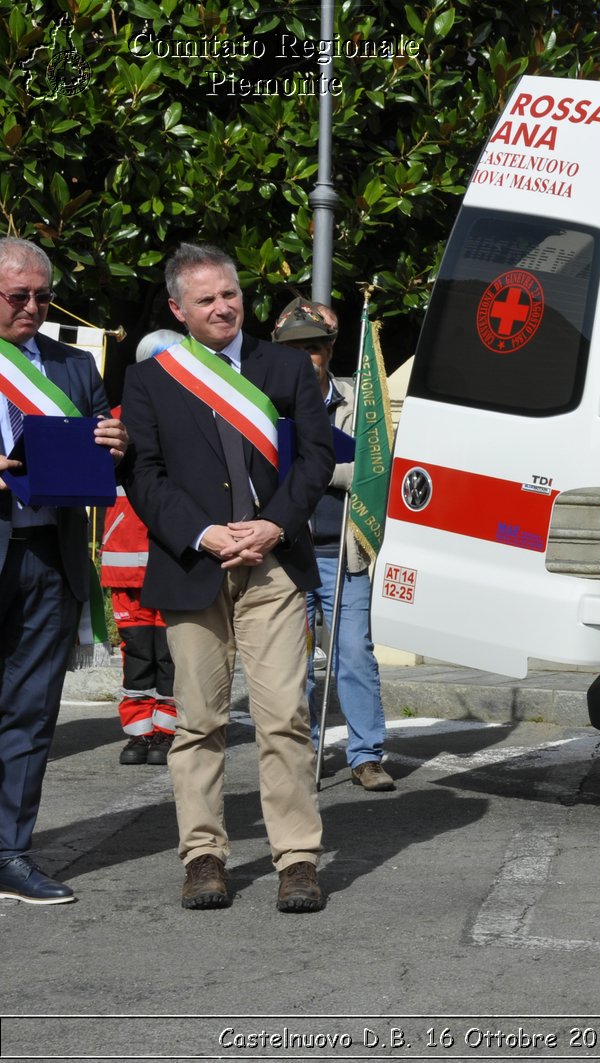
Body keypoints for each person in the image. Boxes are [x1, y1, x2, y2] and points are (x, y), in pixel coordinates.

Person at [120, 244, 333, 913]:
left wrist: (273, 524)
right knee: (199, 722)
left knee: (284, 720)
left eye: (230, 294)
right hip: (194, 565)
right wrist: (205, 533)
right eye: (206, 299)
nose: (222, 307)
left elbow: (318, 456)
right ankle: (204, 855)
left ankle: (297, 859)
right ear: (179, 309)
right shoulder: (153, 380)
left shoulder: (284, 367)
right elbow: (143, 475)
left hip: (271, 564)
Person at [0, 237, 129, 904]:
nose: (32, 306)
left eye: (41, 296)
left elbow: (106, 457)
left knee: (29, 710)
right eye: (17, 296)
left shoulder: (74, 366)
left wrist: (116, 443)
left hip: (48, 556)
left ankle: (9, 852)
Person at [271, 297, 393, 792]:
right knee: (290, 663)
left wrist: (310, 467)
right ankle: (304, 751)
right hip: (285, 553)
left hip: (343, 552)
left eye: (316, 348)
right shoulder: (266, 398)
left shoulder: (357, 401)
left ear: (330, 350)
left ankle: (367, 756)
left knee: (354, 656)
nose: (307, 357)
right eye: (296, 348)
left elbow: (374, 468)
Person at [104, 329, 184, 767]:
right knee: (137, 649)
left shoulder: (192, 420)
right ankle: (138, 732)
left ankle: (168, 730)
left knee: (170, 651)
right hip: (125, 560)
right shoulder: (113, 420)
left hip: (172, 557)